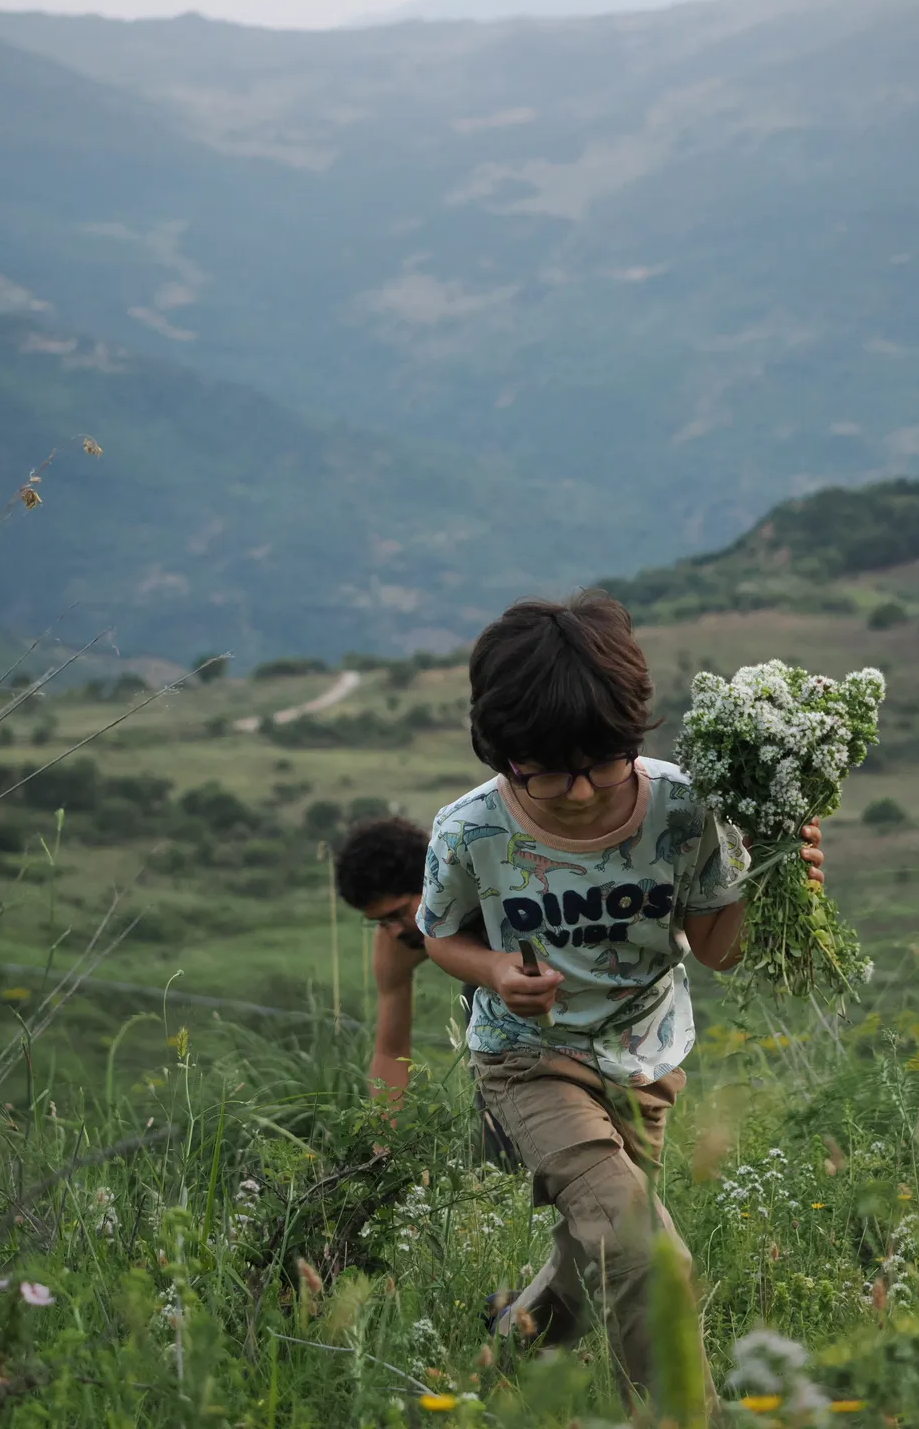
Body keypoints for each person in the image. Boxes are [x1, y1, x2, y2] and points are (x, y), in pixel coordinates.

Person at [416, 592, 824, 1407]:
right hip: (525, 1063)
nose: (573, 791)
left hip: (644, 1065)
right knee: (646, 1256)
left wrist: (788, 880)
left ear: (632, 736)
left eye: (599, 764)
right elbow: (438, 936)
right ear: (500, 751)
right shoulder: (469, 832)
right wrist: (495, 972)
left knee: (593, 1244)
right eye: (543, 770)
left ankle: (501, 1362)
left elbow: (717, 950)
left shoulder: (682, 808)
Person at [334, 815, 518, 1168]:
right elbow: (390, 1050)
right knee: (503, 1120)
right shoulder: (397, 943)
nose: (391, 932)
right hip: (487, 991)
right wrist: (380, 1145)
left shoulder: (490, 884)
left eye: (398, 913)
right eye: (378, 922)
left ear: (432, 878)